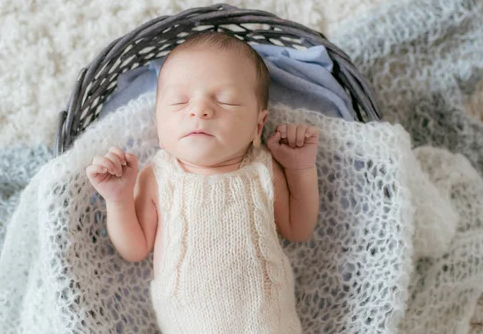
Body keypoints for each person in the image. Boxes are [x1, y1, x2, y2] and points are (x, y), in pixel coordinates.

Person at [86, 31, 320, 333]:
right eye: (179, 101)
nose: (199, 110)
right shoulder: (157, 177)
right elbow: (135, 249)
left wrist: (300, 167)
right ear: (158, 123)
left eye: (226, 100)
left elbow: (298, 229)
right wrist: (118, 199)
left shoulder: (263, 169)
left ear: (258, 125)